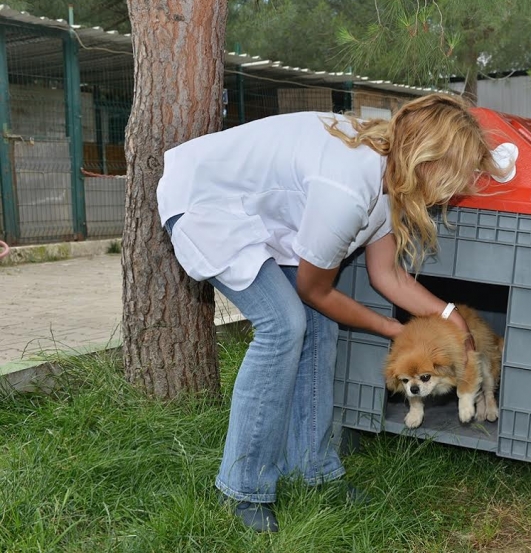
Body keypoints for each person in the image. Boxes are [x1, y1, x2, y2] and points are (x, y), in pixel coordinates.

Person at [156, 94, 506, 532]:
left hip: (260, 211)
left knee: (318, 326)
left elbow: (387, 275)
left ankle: (313, 470)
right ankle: (241, 488)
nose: (454, 191)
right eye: (455, 177)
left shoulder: (387, 176)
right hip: (207, 200)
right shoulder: (348, 187)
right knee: (284, 326)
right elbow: (313, 289)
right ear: (428, 160)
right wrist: (390, 328)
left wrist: (450, 314)